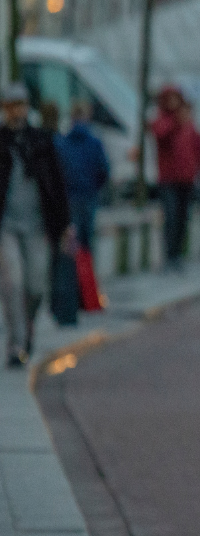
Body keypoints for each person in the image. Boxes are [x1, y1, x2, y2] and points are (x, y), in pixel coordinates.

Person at [0, 84, 71, 366]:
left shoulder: (42, 141)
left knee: (36, 285)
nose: (18, 110)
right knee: (12, 282)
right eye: (12, 105)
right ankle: (16, 344)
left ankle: (27, 329)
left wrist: (65, 223)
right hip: (6, 225)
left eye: (22, 104)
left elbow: (57, 183)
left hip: (38, 224)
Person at [150, 87, 200, 271]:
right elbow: (160, 134)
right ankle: (169, 256)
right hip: (168, 180)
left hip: (187, 179)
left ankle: (177, 256)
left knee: (183, 219)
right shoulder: (163, 120)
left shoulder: (189, 124)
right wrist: (176, 121)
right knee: (171, 218)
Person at [57, 102, 110, 251]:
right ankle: (86, 271)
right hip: (89, 194)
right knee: (88, 239)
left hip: (70, 196)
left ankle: (73, 272)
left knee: (72, 239)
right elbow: (104, 170)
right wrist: (95, 187)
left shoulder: (62, 142)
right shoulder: (95, 143)